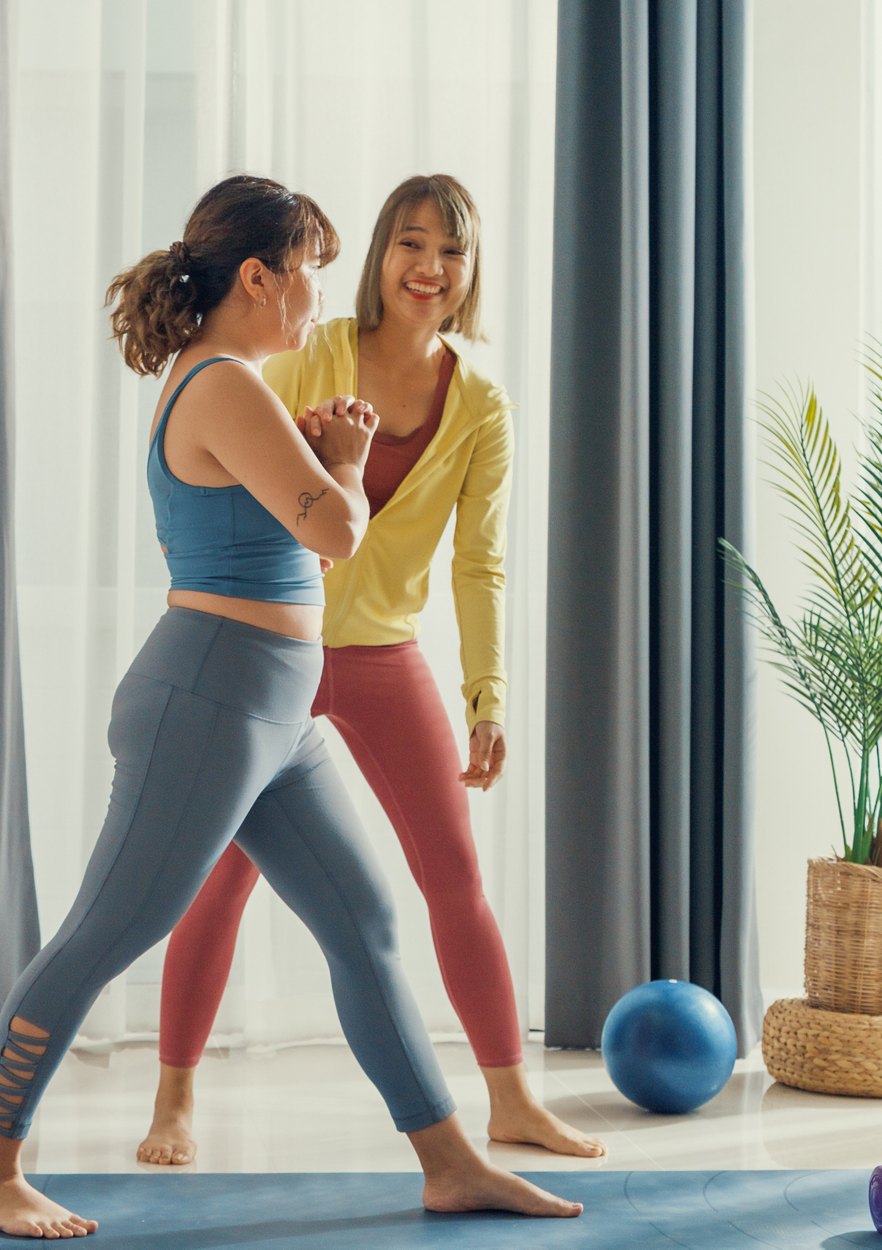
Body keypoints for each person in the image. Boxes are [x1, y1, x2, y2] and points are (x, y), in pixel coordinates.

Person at [0, 175, 582, 1238]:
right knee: (107, 933)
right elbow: (334, 531)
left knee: (364, 921)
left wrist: (328, 464)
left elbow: (305, 521)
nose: (314, 295)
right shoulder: (225, 385)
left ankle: (449, 1162)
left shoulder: (237, 382)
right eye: (308, 271)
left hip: (271, 713)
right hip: (210, 698)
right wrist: (341, 457)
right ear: (257, 278)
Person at [137, 175, 604, 1167]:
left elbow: (480, 561)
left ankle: (510, 1098)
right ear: (379, 258)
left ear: (470, 272)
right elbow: (249, 487)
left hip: (387, 656)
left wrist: (487, 696)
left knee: (454, 879)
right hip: (278, 660)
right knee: (218, 882)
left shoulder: (479, 402)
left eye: (450, 252)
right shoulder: (309, 353)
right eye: (409, 244)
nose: (427, 269)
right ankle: (172, 1099)